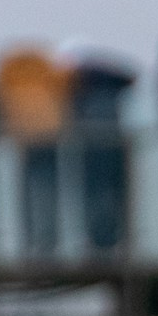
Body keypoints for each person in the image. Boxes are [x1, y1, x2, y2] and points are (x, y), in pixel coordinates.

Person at [0, 43, 71, 258]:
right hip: (49, 134)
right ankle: (50, 240)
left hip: (25, 136)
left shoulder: (10, 73)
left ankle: (29, 240)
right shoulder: (46, 70)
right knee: (49, 189)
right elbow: (64, 91)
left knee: (26, 190)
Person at [62, 40, 138, 255]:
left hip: (91, 146)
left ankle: (98, 240)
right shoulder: (111, 81)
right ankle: (114, 238)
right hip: (113, 141)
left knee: (94, 192)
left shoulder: (78, 85)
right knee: (114, 190)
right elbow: (131, 77)